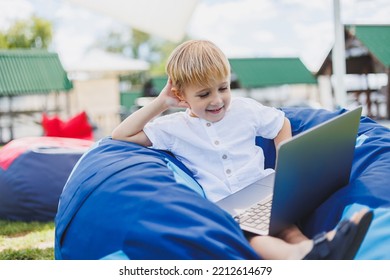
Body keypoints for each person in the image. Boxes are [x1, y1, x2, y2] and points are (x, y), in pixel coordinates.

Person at [112, 39, 373, 260]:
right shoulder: (173, 128)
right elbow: (121, 134)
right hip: (225, 209)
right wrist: (162, 102)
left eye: (223, 88)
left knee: (287, 227)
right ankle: (305, 256)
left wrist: (285, 164)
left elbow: (280, 123)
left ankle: (317, 247)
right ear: (181, 96)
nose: (217, 100)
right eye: (203, 95)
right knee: (254, 237)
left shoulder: (245, 109)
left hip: (266, 190)